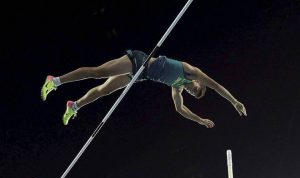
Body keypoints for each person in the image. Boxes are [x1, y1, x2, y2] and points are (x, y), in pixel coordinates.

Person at [41, 49, 247, 127]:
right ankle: (55, 80)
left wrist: (201, 120)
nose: (193, 91)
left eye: (194, 94)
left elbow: (179, 109)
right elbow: (217, 86)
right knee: (98, 72)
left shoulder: (178, 88)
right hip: (139, 62)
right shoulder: (191, 72)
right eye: (196, 89)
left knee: (105, 90)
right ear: (198, 83)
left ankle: (74, 106)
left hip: (140, 76)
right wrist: (235, 101)